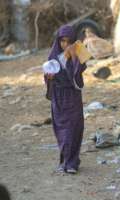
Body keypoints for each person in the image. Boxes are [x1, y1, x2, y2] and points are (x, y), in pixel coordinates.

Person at [44, 25, 86, 174]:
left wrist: (73, 56)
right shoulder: (53, 55)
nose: (65, 45)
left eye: (69, 41)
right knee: (61, 130)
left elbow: (79, 72)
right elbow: (48, 74)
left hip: (73, 96)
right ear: (58, 41)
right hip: (58, 97)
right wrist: (49, 77)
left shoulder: (79, 50)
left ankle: (72, 163)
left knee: (73, 129)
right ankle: (66, 161)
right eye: (62, 41)